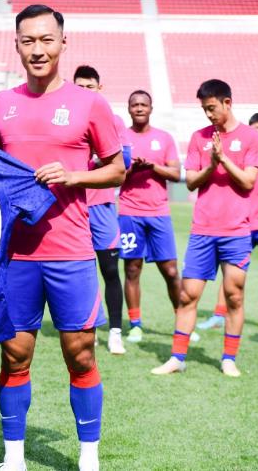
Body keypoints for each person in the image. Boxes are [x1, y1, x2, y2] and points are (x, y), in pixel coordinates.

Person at [0, 5, 124, 470]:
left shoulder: (90, 104)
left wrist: (74, 176)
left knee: (81, 354)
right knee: (15, 355)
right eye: (28, 40)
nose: (38, 49)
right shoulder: (1, 103)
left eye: (46, 40)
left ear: (63, 43)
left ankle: (88, 456)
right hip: (16, 254)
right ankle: (13, 457)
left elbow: (116, 168)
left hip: (71, 252)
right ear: (16, 45)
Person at [151, 79, 258, 378]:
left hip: (236, 231)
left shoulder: (252, 137)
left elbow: (248, 181)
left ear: (228, 103)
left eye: (212, 108)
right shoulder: (198, 137)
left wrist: (223, 158)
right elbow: (190, 181)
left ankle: (229, 359)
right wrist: (212, 165)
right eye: (204, 109)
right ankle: (177, 358)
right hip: (203, 230)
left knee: (234, 295)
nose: (208, 114)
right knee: (188, 295)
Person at [198, 112, 258, 334]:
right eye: (256, 128)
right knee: (230, 271)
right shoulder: (241, 154)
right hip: (241, 224)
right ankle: (219, 315)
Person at [73, 65, 129, 355]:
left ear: (99, 88)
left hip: (102, 206)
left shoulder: (112, 119)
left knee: (109, 270)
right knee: (82, 273)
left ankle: (115, 332)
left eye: (89, 87)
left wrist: (91, 161)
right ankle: (89, 327)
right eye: (79, 87)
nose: (84, 92)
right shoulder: (67, 118)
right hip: (74, 206)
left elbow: (124, 160)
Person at [118, 90, 182, 343]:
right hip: (130, 212)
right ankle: (135, 325)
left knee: (171, 271)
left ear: (151, 108)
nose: (139, 108)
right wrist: (132, 168)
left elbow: (176, 174)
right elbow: (114, 174)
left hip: (159, 214)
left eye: (143, 104)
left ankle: (182, 321)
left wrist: (153, 166)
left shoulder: (164, 138)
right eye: (135, 104)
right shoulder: (121, 138)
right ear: (129, 109)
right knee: (132, 269)